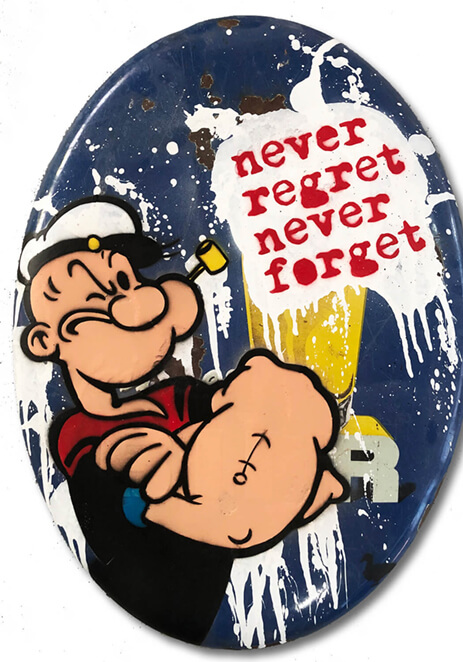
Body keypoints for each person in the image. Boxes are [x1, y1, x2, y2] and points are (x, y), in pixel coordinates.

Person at [19, 195, 348, 644]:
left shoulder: (181, 398)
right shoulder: (80, 434)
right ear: (45, 341)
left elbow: (245, 407)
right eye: (99, 299)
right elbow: (107, 523)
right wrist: (138, 482)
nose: (138, 302)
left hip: (202, 603)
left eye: (126, 282)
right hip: (140, 603)